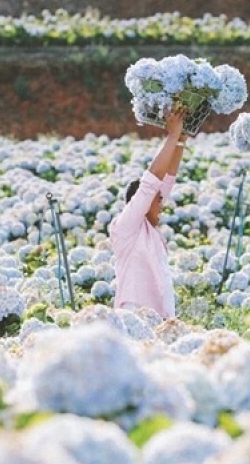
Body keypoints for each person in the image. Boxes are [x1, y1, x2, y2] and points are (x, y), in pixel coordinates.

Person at [109, 107, 187, 318]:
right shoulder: (126, 227)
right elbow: (152, 181)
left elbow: (169, 176)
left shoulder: (151, 231)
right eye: (158, 200)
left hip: (160, 319)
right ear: (141, 203)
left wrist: (181, 139)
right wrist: (172, 135)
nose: (162, 204)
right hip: (133, 317)